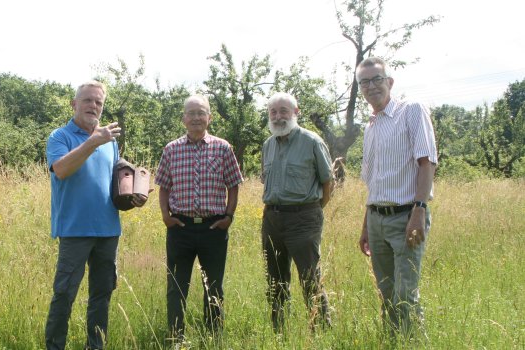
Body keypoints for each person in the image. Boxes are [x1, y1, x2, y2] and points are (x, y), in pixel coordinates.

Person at [45, 81, 144, 349]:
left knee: (102, 295)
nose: (93, 106)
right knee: (64, 294)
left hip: (108, 230)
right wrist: (93, 141)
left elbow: (111, 181)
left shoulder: (108, 141)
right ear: (74, 104)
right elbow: (62, 169)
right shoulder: (60, 137)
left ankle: (95, 346)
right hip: (74, 231)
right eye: (87, 100)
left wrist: (130, 194)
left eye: (98, 102)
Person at [356, 57, 438, 337]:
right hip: (378, 219)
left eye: (377, 79)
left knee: (406, 294)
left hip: (406, 217)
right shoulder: (370, 127)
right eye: (364, 82)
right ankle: (394, 342)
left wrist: (419, 210)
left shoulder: (411, 111)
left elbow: (427, 163)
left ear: (390, 82)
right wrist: (367, 225)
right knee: (387, 293)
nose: (371, 86)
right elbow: (374, 182)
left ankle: (415, 343)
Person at [154, 94, 243, 340]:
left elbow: (233, 184)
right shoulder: (171, 149)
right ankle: (175, 337)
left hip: (213, 228)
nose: (196, 118)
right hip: (180, 228)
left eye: (201, 113)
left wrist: (228, 217)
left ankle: (213, 336)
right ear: (183, 119)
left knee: (213, 286)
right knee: (176, 286)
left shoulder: (223, 148)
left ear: (209, 118)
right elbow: (163, 186)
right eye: (191, 113)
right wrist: (165, 216)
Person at [259, 92, 334, 333]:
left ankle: (321, 332)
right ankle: (279, 332)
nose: (278, 116)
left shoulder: (312, 141)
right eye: (273, 111)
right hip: (272, 218)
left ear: (296, 112)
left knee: (310, 279)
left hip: (304, 218)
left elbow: (327, 182)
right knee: (275, 280)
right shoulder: (268, 145)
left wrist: (312, 211)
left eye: (283, 111)